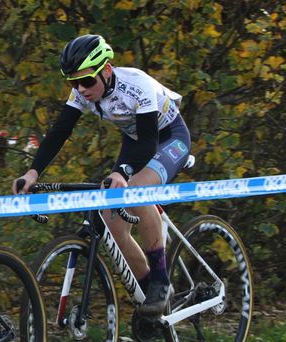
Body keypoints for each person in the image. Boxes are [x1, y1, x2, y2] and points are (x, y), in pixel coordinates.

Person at [12, 34, 194, 321]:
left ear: (106, 70)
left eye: (86, 81)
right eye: (73, 83)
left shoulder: (137, 85)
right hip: (136, 142)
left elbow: (148, 141)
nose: (81, 89)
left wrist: (122, 172)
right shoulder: (83, 93)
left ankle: (161, 281)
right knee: (112, 223)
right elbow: (60, 131)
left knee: (136, 191)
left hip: (168, 138)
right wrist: (33, 172)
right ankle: (150, 295)